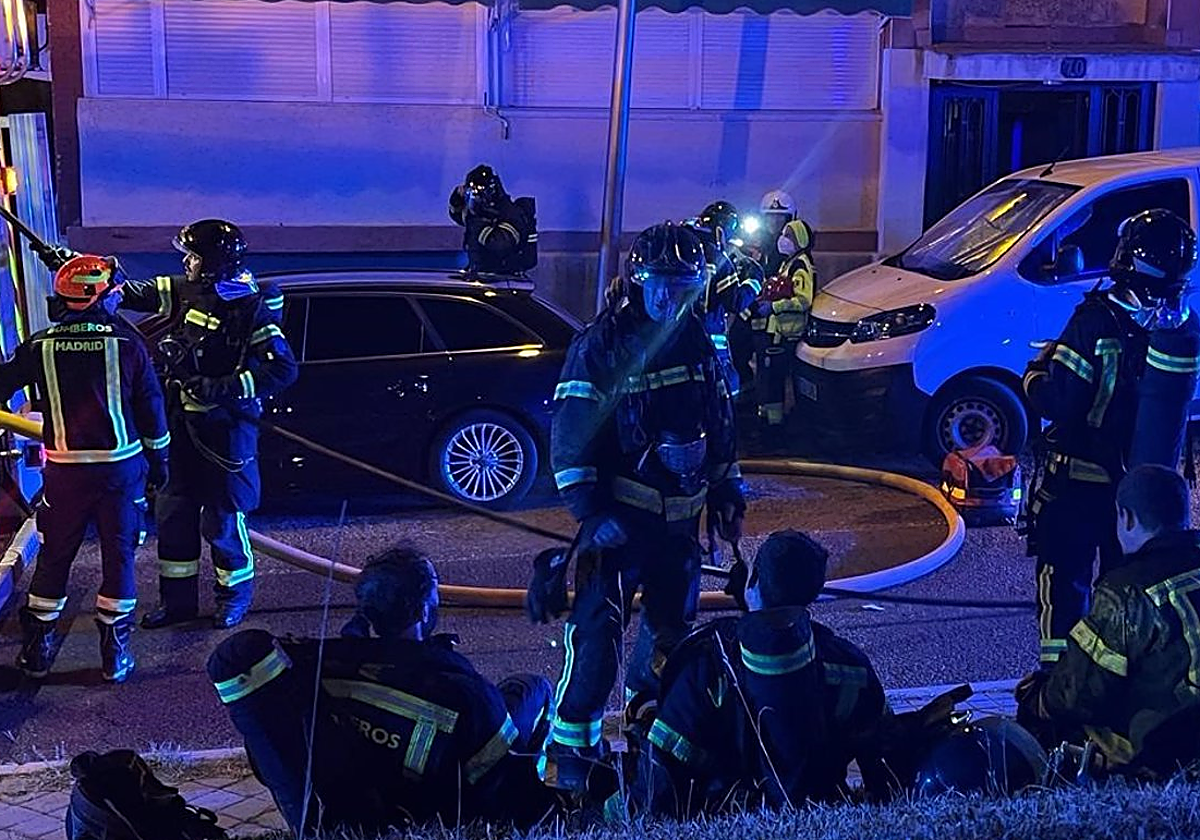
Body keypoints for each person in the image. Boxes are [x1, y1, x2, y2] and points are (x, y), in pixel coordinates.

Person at [534, 221, 745, 791]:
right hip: (620, 527)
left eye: (685, 286)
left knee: (667, 639)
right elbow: (573, 439)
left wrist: (729, 490)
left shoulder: (699, 339)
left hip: (680, 526)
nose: (671, 298)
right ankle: (571, 751)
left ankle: (647, 736)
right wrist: (590, 513)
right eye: (661, 285)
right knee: (596, 639)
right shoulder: (601, 345)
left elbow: (721, 422)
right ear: (637, 280)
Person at [209, 546, 559, 835]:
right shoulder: (466, 695)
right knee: (532, 688)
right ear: (424, 610)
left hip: (366, 792)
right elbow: (499, 777)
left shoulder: (316, 667)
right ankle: (539, 773)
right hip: (435, 805)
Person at [1022, 208, 1196, 667]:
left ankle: (1057, 692)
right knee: (1123, 594)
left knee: (1063, 592)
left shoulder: (1094, 322)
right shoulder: (1175, 328)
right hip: (1135, 496)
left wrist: (1035, 373)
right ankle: (1115, 687)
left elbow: (1059, 402)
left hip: (1076, 489)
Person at [119, 220, 298, 630]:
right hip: (182, 427)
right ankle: (176, 604)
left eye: (194, 256)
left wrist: (218, 387)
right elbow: (137, 293)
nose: (187, 262)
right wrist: (92, 273)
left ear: (215, 262)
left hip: (225, 432)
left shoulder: (250, 307)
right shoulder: (187, 289)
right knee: (173, 516)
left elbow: (282, 371)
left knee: (222, 519)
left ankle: (233, 597)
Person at [630, 530, 887, 816]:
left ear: (752, 581)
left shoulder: (707, 665)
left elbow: (660, 783)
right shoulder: (850, 666)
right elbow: (884, 762)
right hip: (821, 800)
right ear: (814, 591)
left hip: (727, 813)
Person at [0, 255, 169, 682]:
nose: (118, 297)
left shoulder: (40, 345)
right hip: (120, 471)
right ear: (101, 296)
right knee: (119, 555)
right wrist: (160, 462)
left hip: (65, 472)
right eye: (114, 292)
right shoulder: (129, 346)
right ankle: (115, 654)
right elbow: (151, 411)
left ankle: (37, 650)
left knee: (55, 556)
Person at [1017, 465, 1200, 778]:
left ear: (1125, 518)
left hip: (1168, 750)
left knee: (1044, 724)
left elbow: (1078, 694)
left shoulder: (1125, 591)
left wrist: (1035, 697)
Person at [686, 201, 764, 397]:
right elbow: (735, 301)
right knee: (725, 387)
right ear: (724, 228)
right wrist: (754, 278)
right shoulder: (716, 256)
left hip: (678, 336)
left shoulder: (685, 249)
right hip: (709, 337)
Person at [754, 220, 816, 437]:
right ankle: (767, 420)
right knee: (769, 376)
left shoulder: (800, 265)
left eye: (788, 235)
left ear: (799, 240)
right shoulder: (789, 263)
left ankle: (775, 428)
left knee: (775, 378)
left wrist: (774, 306)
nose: (783, 238)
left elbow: (803, 300)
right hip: (778, 329)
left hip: (787, 332)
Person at [448, 164, 538, 276]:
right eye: (471, 191)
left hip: (503, 281)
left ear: (491, 190)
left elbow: (499, 244)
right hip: (481, 276)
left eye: (478, 190)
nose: (475, 195)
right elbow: (460, 217)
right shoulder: (481, 212)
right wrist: (457, 200)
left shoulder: (510, 214)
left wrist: (477, 221)